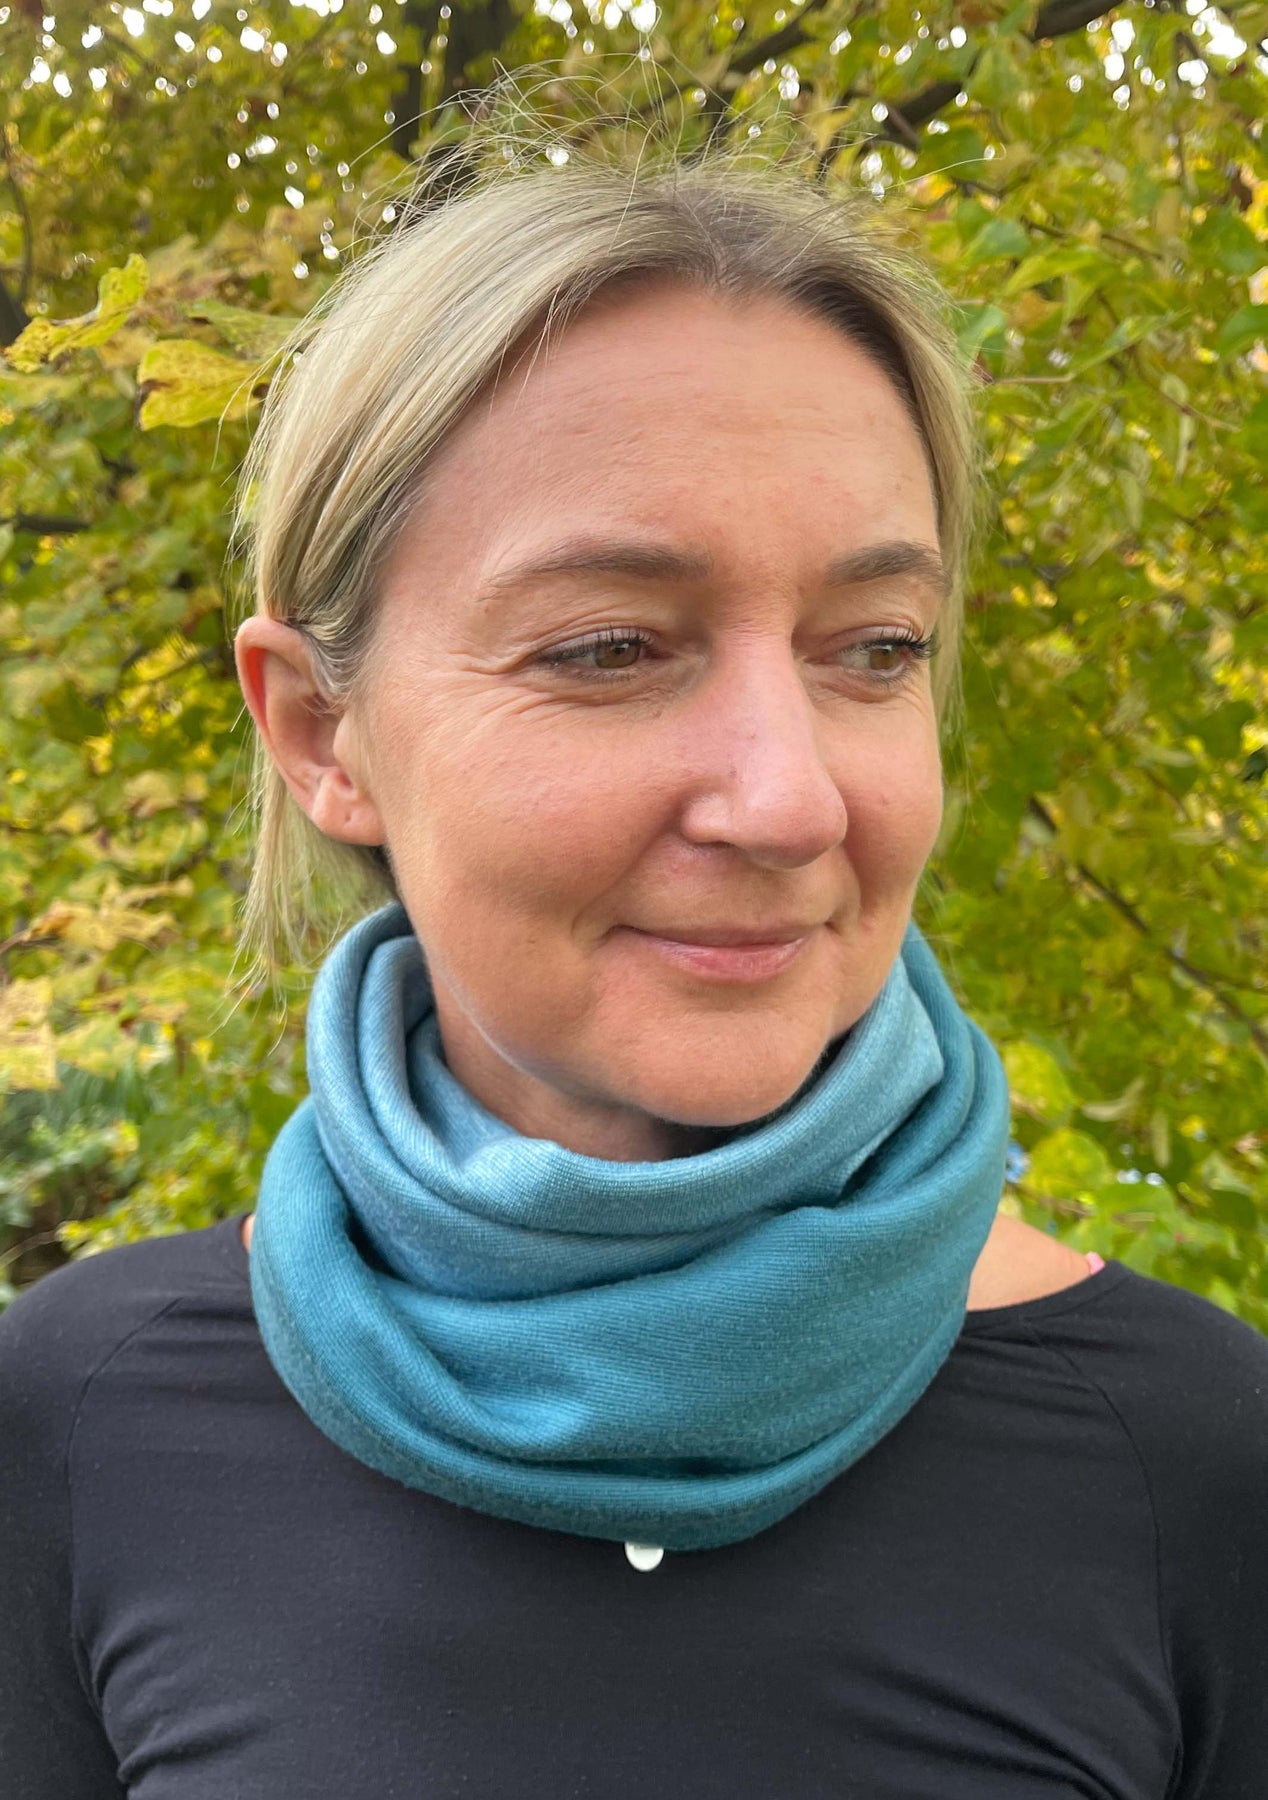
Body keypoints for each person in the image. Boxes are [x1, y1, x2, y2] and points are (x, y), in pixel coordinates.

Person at [3, 126, 1266, 1800]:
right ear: (320, 733)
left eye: (874, 649)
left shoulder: (1200, 1458)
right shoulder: (75, 1421)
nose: (790, 798)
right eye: (610, 647)